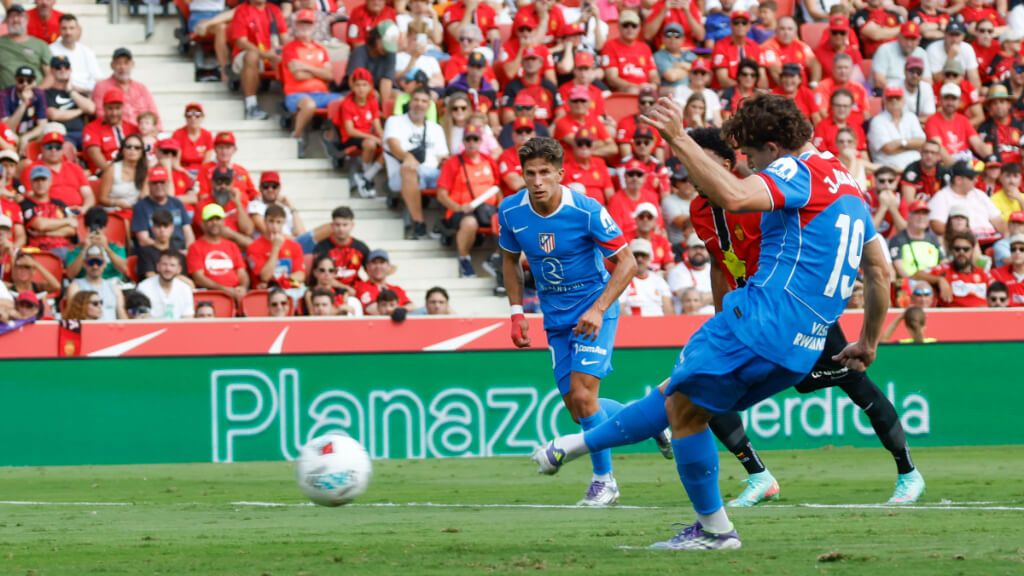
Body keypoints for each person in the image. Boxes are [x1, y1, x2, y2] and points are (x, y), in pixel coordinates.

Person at [532, 96, 896, 549]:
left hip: (764, 318)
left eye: (751, 156)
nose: (749, 165)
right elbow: (880, 271)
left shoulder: (795, 168)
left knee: (682, 407)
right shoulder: (849, 185)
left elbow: (736, 196)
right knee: (684, 402)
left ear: (773, 147)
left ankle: (714, 530)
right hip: (806, 343)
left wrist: (679, 138)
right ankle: (569, 448)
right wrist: (868, 342)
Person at [500, 137, 663, 507]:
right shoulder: (511, 212)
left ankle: (604, 482)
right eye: (530, 173)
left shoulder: (586, 210)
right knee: (578, 408)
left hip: (594, 311)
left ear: (560, 173)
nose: (538, 180)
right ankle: (652, 420)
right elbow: (509, 261)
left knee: (585, 396)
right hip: (555, 318)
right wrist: (516, 312)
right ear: (522, 176)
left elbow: (628, 263)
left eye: (545, 172)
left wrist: (599, 309)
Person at [383, 87, 448, 239]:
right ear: (409, 102)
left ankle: (447, 222)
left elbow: (443, 156)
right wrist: (408, 158)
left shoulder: (436, 128)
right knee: (409, 168)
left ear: (429, 105)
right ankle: (419, 223)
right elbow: (394, 146)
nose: (419, 104)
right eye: (416, 100)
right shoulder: (394, 121)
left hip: (431, 174)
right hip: (400, 174)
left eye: (424, 101)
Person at [436, 124, 499, 278]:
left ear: (480, 141)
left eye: (475, 139)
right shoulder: (453, 162)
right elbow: (441, 194)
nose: (472, 142)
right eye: (468, 139)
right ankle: (464, 259)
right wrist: (457, 207)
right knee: (469, 223)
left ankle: (495, 258)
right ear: (463, 141)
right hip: (461, 211)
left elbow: (498, 187)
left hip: (487, 210)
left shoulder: (489, 161)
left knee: (511, 223)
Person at [281, 10, 339, 158]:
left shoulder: (321, 49)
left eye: (308, 23)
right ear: (296, 25)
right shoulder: (290, 48)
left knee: (344, 101)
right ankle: (297, 136)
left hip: (322, 93)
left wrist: (306, 67)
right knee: (309, 105)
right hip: (296, 94)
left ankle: (331, 136)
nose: (305, 27)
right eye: (302, 23)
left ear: (313, 26)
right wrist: (319, 71)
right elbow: (298, 75)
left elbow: (330, 75)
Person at [228, 0, 288, 120]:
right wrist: (265, 54)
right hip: (246, 55)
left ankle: (291, 104)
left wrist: (286, 52)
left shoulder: (274, 10)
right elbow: (241, 42)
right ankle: (251, 106)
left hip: (271, 55)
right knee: (252, 56)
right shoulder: (242, 10)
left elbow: (284, 38)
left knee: (290, 56)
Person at [334, 67, 383, 198]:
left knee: (390, 148)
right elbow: (350, 131)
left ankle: (366, 177)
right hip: (351, 137)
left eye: (364, 85)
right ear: (352, 87)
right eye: (358, 85)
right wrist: (373, 137)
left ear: (370, 86)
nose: (361, 89)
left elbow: (377, 126)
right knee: (370, 144)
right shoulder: (347, 104)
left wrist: (384, 138)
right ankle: (367, 177)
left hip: (368, 136)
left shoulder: (372, 101)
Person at [927, 161, 1005, 241]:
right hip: (965, 244)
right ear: (958, 180)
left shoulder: (979, 194)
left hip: (992, 240)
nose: (976, 181)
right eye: (972, 178)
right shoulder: (941, 197)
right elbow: (937, 227)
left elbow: (998, 221)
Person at [187, 203, 250, 301]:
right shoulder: (195, 247)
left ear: (224, 222)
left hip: (236, 294)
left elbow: (242, 272)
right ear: (203, 223)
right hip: (211, 296)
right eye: (210, 220)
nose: (214, 222)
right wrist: (225, 290)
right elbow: (199, 278)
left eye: (218, 219)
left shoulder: (232, 245)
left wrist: (243, 287)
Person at [914, 230, 991, 307]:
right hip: (952, 315)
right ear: (951, 251)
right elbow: (916, 275)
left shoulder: (983, 273)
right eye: (957, 249)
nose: (961, 252)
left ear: (972, 250)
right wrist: (939, 280)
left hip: (983, 315)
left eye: (966, 249)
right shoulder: (943, 270)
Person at [91, 48, 160, 128]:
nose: (122, 67)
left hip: (143, 131)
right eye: (118, 63)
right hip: (116, 131)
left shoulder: (141, 88)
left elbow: (154, 113)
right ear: (112, 65)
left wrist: (157, 131)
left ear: (132, 64)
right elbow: (101, 115)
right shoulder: (101, 87)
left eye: (126, 63)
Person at [25, 130, 91, 211]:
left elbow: (88, 195)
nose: (54, 150)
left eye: (58, 147)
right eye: (49, 147)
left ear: (62, 149)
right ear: (42, 148)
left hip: (78, 211)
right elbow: (31, 195)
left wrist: (84, 208)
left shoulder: (75, 167)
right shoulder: (32, 169)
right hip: (50, 212)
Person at [132, 166, 193, 251]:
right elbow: (143, 240)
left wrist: (188, 251)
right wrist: (168, 252)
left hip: (180, 251)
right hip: (154, 252)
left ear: (168, 183)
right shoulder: (141, 207)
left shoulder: (177, 203)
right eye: (155, 183)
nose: (159, 186)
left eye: (162, 182)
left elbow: (188, 232)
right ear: (149, 185)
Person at [20, 164, 75, 259]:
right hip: (41, 251)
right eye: (36, 180)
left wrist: (45, 233)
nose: (40, 183)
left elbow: (72, 230)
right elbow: (40, 225)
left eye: (43, 180)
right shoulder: (25, 204)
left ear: (50, 182)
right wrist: (67, 221)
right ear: (31, 183)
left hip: (65, 248)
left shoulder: (59, 204)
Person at [246, 204, 306, 290]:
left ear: (284, 223)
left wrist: (280, 282)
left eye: (278, 222)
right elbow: (265, 277)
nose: (274, 226)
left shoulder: (294, 246)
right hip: (264, 293)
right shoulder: (254, 247)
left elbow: (300, 275)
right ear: (265, 221)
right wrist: (276, 248)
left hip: (288, 289)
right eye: (271, 221)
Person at [868, 86, 926, 171]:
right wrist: (912, 145)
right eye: (890, 98)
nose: (894, 101)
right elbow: (888, 149)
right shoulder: (877, 121)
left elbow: (922, 142)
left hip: (916, 168)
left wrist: (900, 143)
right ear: (884, 101)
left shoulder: (911, 117)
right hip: (889, 169)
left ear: (903, 100)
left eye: (897, 98)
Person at [82, 89, 139, 174]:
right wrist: (112, 173)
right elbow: (94, 152)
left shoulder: (132, 128)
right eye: (110, 108)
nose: (114, 113)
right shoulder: (92, 128)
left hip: (132, 171)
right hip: (104, 173)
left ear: (123, 108)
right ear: (104, 107)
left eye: (117, 108)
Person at [43, 56, 93, 150]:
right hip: (59, 135)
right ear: (52, 71)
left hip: (83, 134)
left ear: (70, 70)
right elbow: (53, 114)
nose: (63, 70)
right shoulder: (46, 93)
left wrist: (71, 92)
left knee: (95, 145)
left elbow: (91, 109)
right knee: (67, 147)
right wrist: (81, 110)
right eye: (58, 67)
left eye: (66, 67)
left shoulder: (78, 92)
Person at [65, 207, 128, 281]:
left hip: (112, 284)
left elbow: (124, 269)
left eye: (100, 227)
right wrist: (85, 249)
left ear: (105, 228)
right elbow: (70, 275)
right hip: (85, 287)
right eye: (92, 228)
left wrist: (106, 248)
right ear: (86, 228)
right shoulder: (76, 250)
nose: (96, 231)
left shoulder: (116, 247)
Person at [313, 205, 369, 289]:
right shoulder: (322, 247)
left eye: (345, 225)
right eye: (337, 225)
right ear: (332, 225)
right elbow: (320, 276)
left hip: (354, 291)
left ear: (352, 225)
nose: (341, 229)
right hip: (328, 291)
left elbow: (372, 272)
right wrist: (345, 288)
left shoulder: (361, 248)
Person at [65, 244, 126, 320]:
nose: (95, 266)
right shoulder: (75, 286)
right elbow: (73, 315)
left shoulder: (114, 287)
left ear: (105, 264)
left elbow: (122, 314)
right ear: (84, 264)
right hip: (88, 330)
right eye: (91, 262)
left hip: (111, 330)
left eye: (99, 262)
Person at [0, 5, 53, 90]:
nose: (16, 19)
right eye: (12, 16)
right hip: (6, 97)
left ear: (27, 20)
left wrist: (37, 92)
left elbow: (51, 75)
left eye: (20, 16)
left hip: (35, 94)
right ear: (6, 21)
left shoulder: (40, 44)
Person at [48, 14, 101, 94]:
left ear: (77, 30)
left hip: (87, 93)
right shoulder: (50, 50)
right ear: (59, 30)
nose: (68, 32)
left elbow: (98, 78)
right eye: (64, 28)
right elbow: (50, 79)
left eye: (71, 28)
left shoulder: (87, 51)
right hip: (61, 93)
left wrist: (80, 89)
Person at [620, 238, 673, 317]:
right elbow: (620, 310)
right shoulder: (622, 281)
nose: (639, 259)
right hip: (634, 325)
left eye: (643, 255)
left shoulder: (659, 281)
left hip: (659, 324)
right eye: (636, 255)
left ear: (649, 258)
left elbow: (668, 310)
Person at [889, 201, 942, 278]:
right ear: (908, 217)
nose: (921, 217)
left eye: (924, 214)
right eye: (917, 213)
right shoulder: (897, 240)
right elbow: (899, 268)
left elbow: (944, 261)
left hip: (934, 281)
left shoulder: (933, 239)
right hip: (910, 283)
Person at [136, 250, 194, 320]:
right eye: (164, 264)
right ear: (158, 266)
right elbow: (141, 318)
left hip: (179, 330)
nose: (168, 269)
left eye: (172, 265)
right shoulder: (143, 287)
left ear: (179, 269)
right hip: (152, 329)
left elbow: (187, 318)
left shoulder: (185, 289)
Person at [97, 134, 147, 213]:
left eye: (137, 148)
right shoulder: (112, 169)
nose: (132, 150)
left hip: (135, 211)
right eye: (128, 147)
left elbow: (145, 196)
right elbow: (102, 199)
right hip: (113, 211)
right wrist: (117, 203)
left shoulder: (145, 170)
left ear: (142, 152)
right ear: (122, 150)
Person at [135, 208, 190, 281]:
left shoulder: (179, 255)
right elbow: (150, 276)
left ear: (172, 228)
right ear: (153, 228)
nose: (162, 230)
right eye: (158, 226)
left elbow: (184, 280)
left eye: (166, 226)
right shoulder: (145, 253)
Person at [248, 171, 305, 240]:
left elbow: (301, 234)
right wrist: (295, 241)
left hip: (290, 246)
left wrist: (291, 206)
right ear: (260, 188)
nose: (270, 189)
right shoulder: (255, 205)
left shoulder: (285, 208)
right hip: (270, 246)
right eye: (266, 186)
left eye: (274, 186)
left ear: (279, 188)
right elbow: (268, 233)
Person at [2, 65, 48, 148]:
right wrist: (24, 103)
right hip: (11, 133)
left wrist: (26, 137)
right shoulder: (4, 95)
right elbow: (6, 127)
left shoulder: (39, 94)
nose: (25, 84)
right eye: (21, 80)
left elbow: (42, 124)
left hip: (31, 133)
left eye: (29, 81)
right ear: (15, 80)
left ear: (34, 82)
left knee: (49, 131)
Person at [354, 249, 412, 314]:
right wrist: (397, 312)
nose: (378, 266)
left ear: (388, 266)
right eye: (374, 263)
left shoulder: (397, 289)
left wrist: (401, 311)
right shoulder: (361, 286)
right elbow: (372, 310)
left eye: (382, 262)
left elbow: (411, 306)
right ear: (367, 266)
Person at [668, 233, 713, 312]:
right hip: (688, 319)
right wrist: (714, 297)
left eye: (702, 248)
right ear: (687, 250)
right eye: (695, 248)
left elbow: (725, 295)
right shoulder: (677, 271)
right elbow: (688, 300)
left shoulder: (713, 269)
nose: (698, 251)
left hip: (713, 317)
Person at [171, 102, 214, 174]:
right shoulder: (178, 134)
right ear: (185, 117)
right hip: (182, 171)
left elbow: (207, 161)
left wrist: (199, 175)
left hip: (202, 172)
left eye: (197, 115)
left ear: (202, 117)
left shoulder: (207, 135)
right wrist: (186, 173)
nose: (193, 118)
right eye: (189, 115)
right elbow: (175, 163)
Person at [990, 234, 1024, 306]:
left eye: (1022, 249)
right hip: (1004, 315)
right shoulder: (996, 274)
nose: (1017, 252)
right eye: (1013, 249)